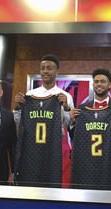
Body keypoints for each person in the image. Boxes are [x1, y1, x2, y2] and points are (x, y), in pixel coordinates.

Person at [13, 54, 74, 187]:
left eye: (49, 68)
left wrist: (67, 107)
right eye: (42, 68)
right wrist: (17, 109)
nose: (45, 71)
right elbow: (20, 124)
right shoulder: (30, 94)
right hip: (31, 149)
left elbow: (72, 125)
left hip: (53, 149)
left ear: (57, 71)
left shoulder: (65, 96)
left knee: (51, 186)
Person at [68, 68, 111, 190]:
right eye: (96, 81)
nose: (99, 84)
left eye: (103, 81)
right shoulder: (82, 109)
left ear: (110, 85)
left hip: (109, 170)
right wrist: (72, 123)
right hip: (86, 169)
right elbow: (74, 138)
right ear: (92, 84)